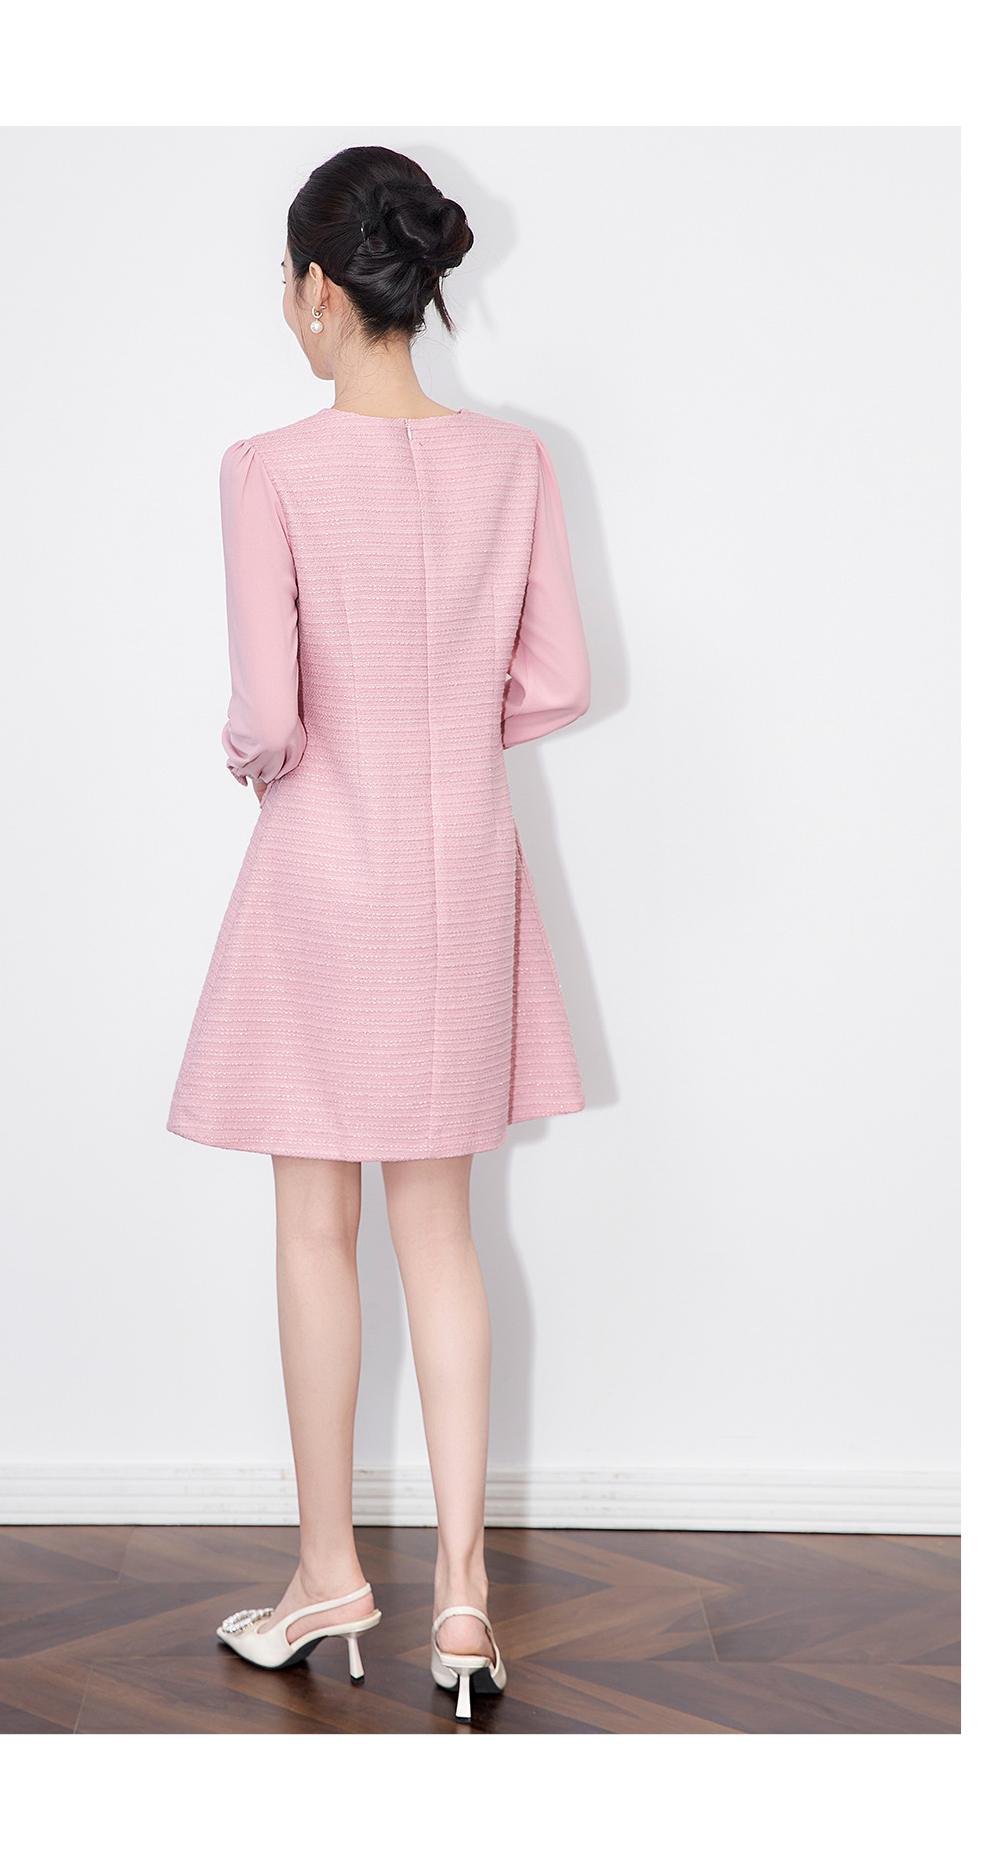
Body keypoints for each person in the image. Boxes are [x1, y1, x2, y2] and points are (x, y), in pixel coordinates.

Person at [167, 145, 591, 1721]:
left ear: (316, 292)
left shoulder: (267, 469)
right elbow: (558, 683)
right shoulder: (516, 464)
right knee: (444, 1232)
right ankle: (465, 1603)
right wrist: (446, 727)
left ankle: (328, 1572)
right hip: (462, 868)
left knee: (311, 1227)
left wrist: (260, 752)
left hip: (323, 873)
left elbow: (272, 718)